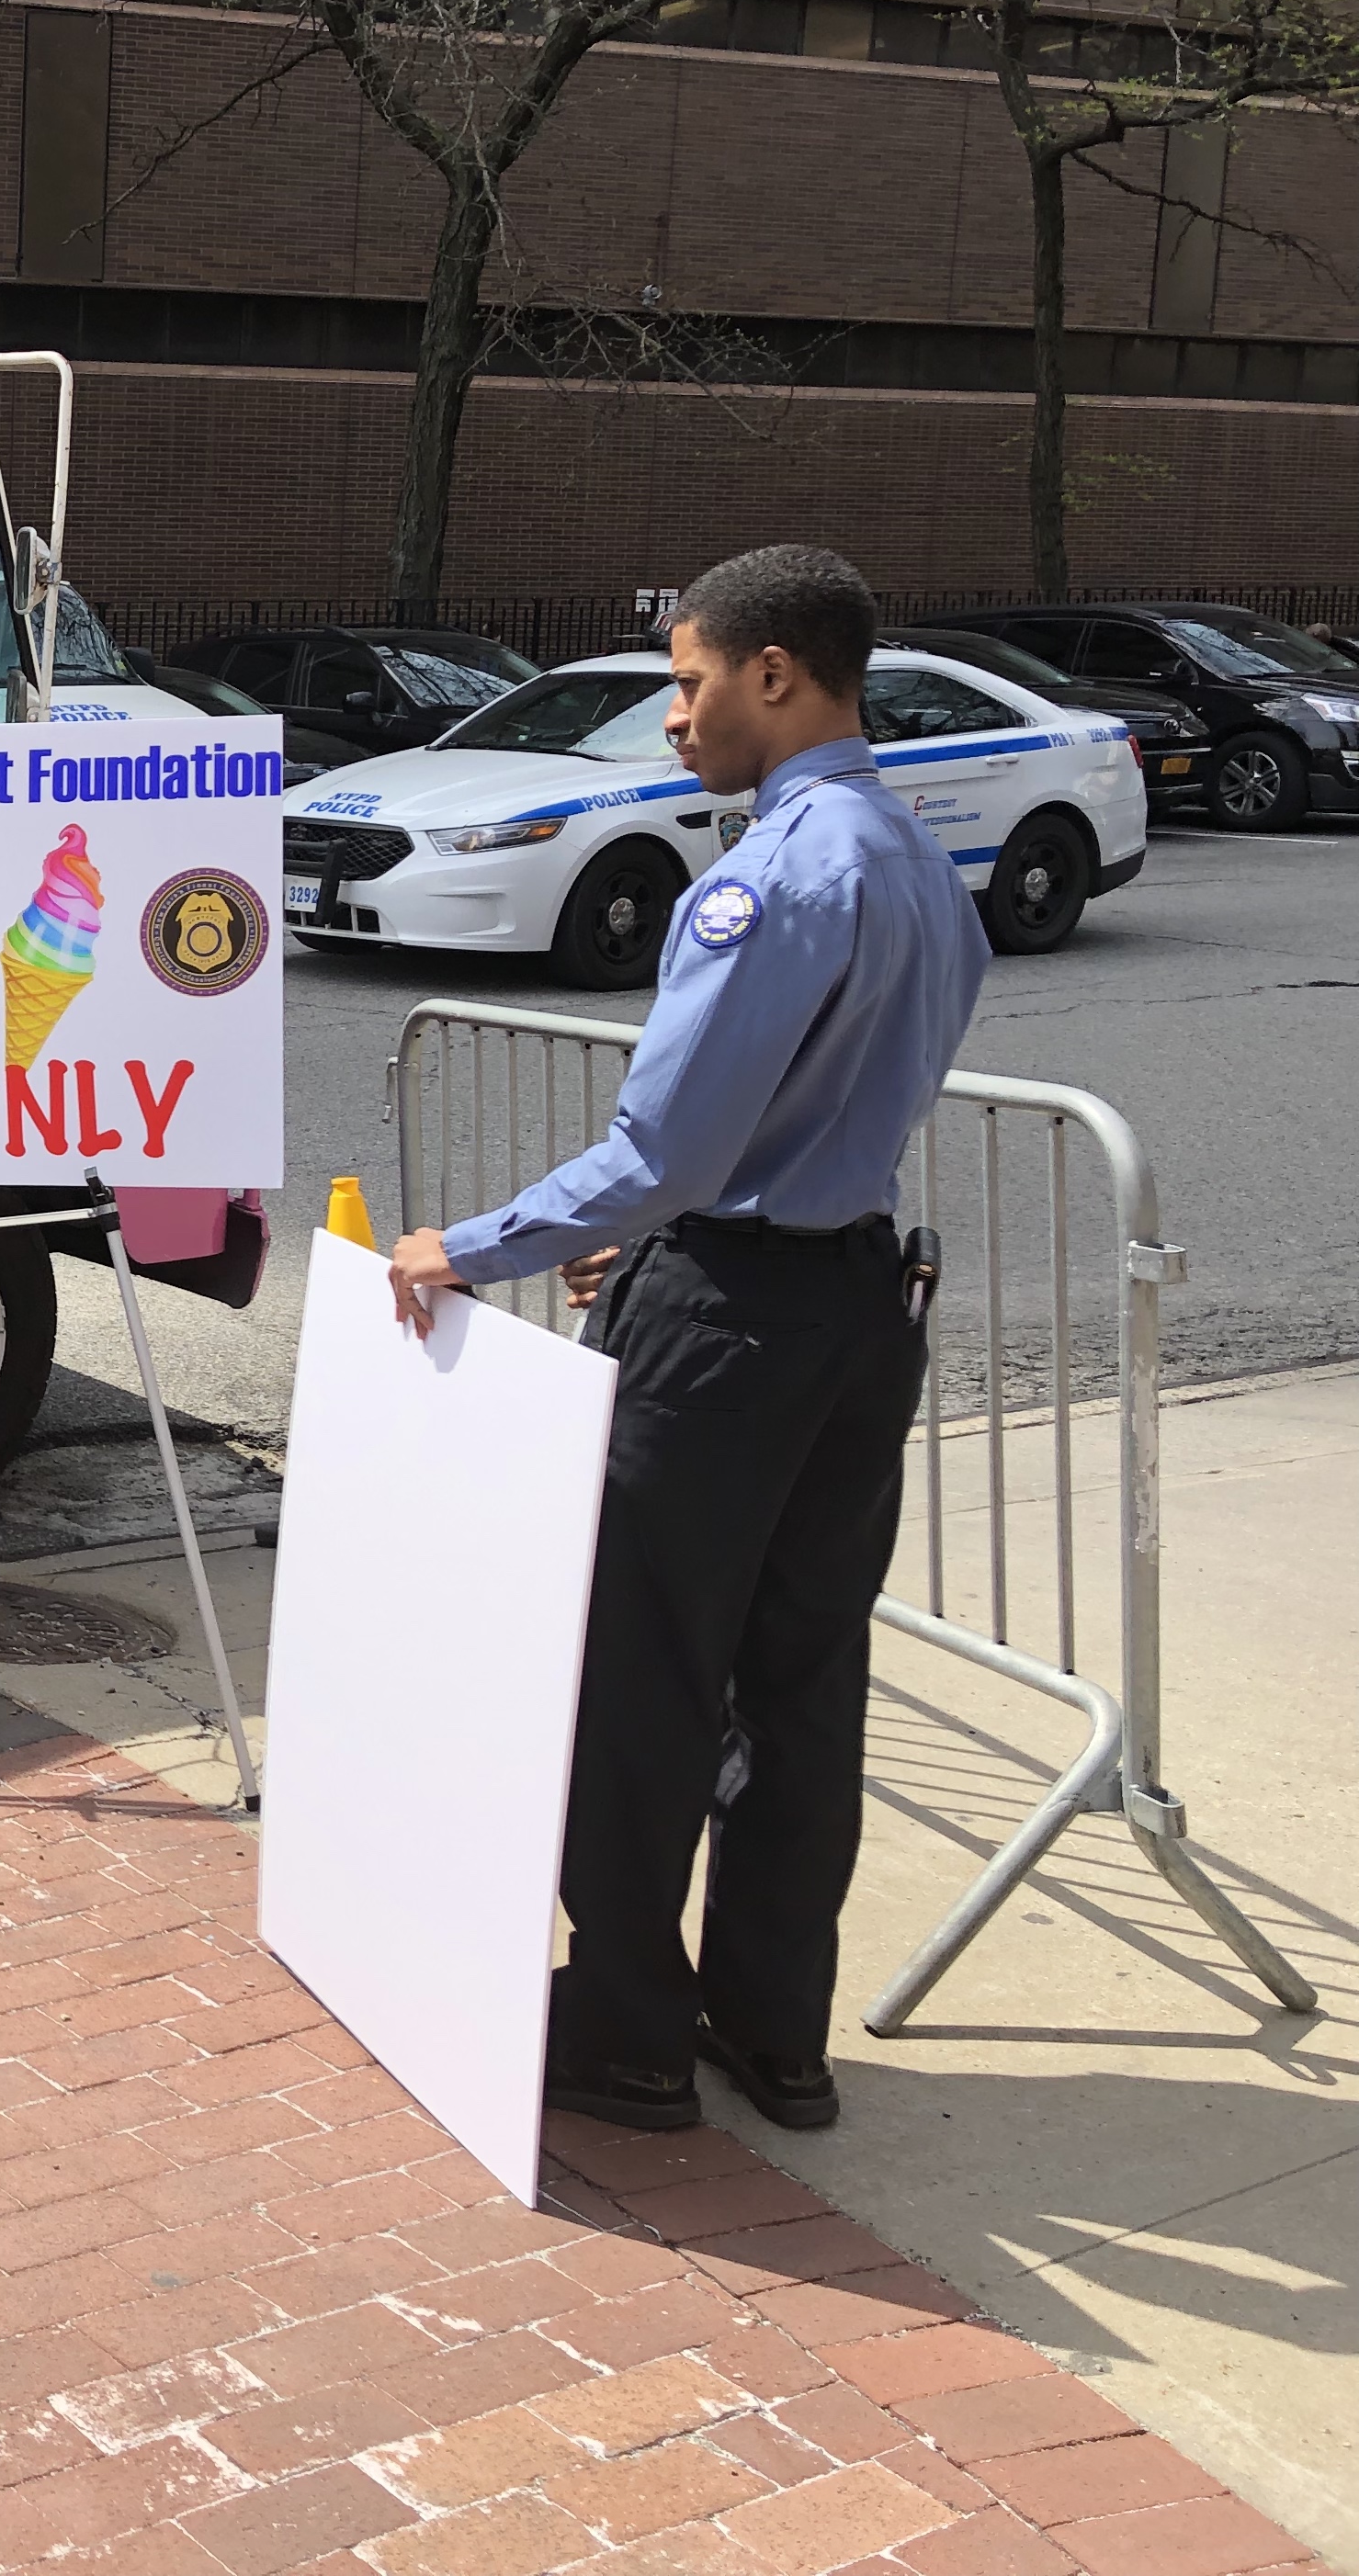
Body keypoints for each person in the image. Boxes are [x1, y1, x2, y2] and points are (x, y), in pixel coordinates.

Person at [389, 545, 988, 2139]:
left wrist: (470, 1242)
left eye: (687, 676)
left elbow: (664, 1149)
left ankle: (633, 2029)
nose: (671, 712)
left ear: (774, 675)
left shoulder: (772, 872)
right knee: (803, 1679)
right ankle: (775, 2030)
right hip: (862, 1303)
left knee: (646, 1671)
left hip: (733, 1321)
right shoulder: (920, 860)